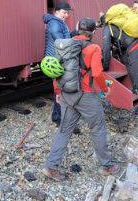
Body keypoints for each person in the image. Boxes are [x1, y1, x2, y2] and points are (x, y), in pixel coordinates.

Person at [45, 18, 121, 180]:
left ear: (78, 29)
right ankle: (107, 165)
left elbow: (55, 71)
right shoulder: (94, 48)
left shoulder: (64, 45)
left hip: (66, 94)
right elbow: (97, 74)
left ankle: (51, 167)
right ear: (93, 32)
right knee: (97, 128)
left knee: (64, 130)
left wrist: (58, 91)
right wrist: (105, 89)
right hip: (86, 95)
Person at [43, 0, 74, 125]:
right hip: (56, 60)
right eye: (63, 12)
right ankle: (61, 119)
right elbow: (61, 42)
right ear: (56, 12)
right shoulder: (55, 24)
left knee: (59, 88)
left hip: (56, 58)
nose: (66, 15)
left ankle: (57, 117)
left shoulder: (58, 22)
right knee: (60, 89)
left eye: (67, 13)